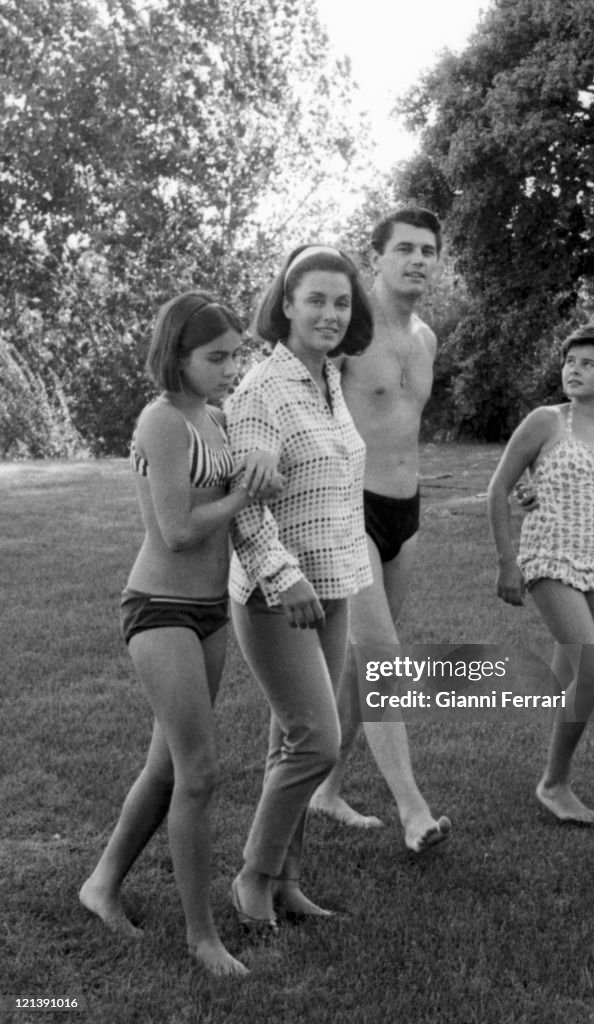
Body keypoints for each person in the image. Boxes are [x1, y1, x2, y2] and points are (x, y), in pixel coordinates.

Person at [79, 292, 282, 976]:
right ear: (179, 355)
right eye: (215, 357)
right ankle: (202, 938)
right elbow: (178, 528)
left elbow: (237, 481)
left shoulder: (217, 416)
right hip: (159, 608)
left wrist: (256, 466)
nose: (230, 368)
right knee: (199, 773)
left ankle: (101, 885)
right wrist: (243, 494)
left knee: (167, 768)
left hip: (208, 612)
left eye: (235, 355)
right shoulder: (163, 420)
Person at [225, 245, 374, 932]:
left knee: (291, 739)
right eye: (315, 299)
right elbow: (244, 505)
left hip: (334, 580)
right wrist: (283, 578)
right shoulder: (259, 388)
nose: (329, 313)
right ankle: (252, 878)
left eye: (340, 302)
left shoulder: (328, 378)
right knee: (316, 738)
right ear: (285, 302)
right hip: (277, 592)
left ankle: (286, 882)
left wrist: (333, 573)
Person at [308, 207, 453, 854]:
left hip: (405, 511)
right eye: (404, 249)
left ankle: (327, 789)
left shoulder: (425, 338)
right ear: (378, 258)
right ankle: (412, 809)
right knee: (383, 655)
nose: (418, 260)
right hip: (349, 508)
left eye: (428, 250)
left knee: (360, 669)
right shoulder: (345, 330)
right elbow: (299, 399)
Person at [487, 321, 594, 824]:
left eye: (587, 363)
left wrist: (540, 491)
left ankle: (552, 774)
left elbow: (590, 493)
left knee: (569, 677)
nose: (573, 369)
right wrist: (509, 562)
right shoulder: (546, 421)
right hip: (548, 557)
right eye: (570, 361)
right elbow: (498, 489)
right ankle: (555, 784)